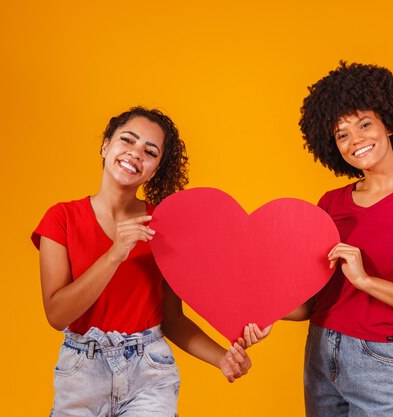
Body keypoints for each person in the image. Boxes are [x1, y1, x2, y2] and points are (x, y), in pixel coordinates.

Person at [246, 62, 393, 417]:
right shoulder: (330, 203)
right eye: (341, 134)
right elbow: (314, 302)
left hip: (380, 360)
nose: (355, 140)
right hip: (320, 352)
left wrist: (365, 280)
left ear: (389, 124)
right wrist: (269, 312)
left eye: (364, 124)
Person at [31, 107, 251, 417]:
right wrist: (114, 254)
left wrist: (222, 358)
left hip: (149, 371)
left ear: (156, 169)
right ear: (106, 146)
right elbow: (57, 314)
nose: (135, 154)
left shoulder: (164, 228)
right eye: (127, 141)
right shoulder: (62, 218)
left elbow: (172, 319)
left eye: (150, 151)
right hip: (82, 372)